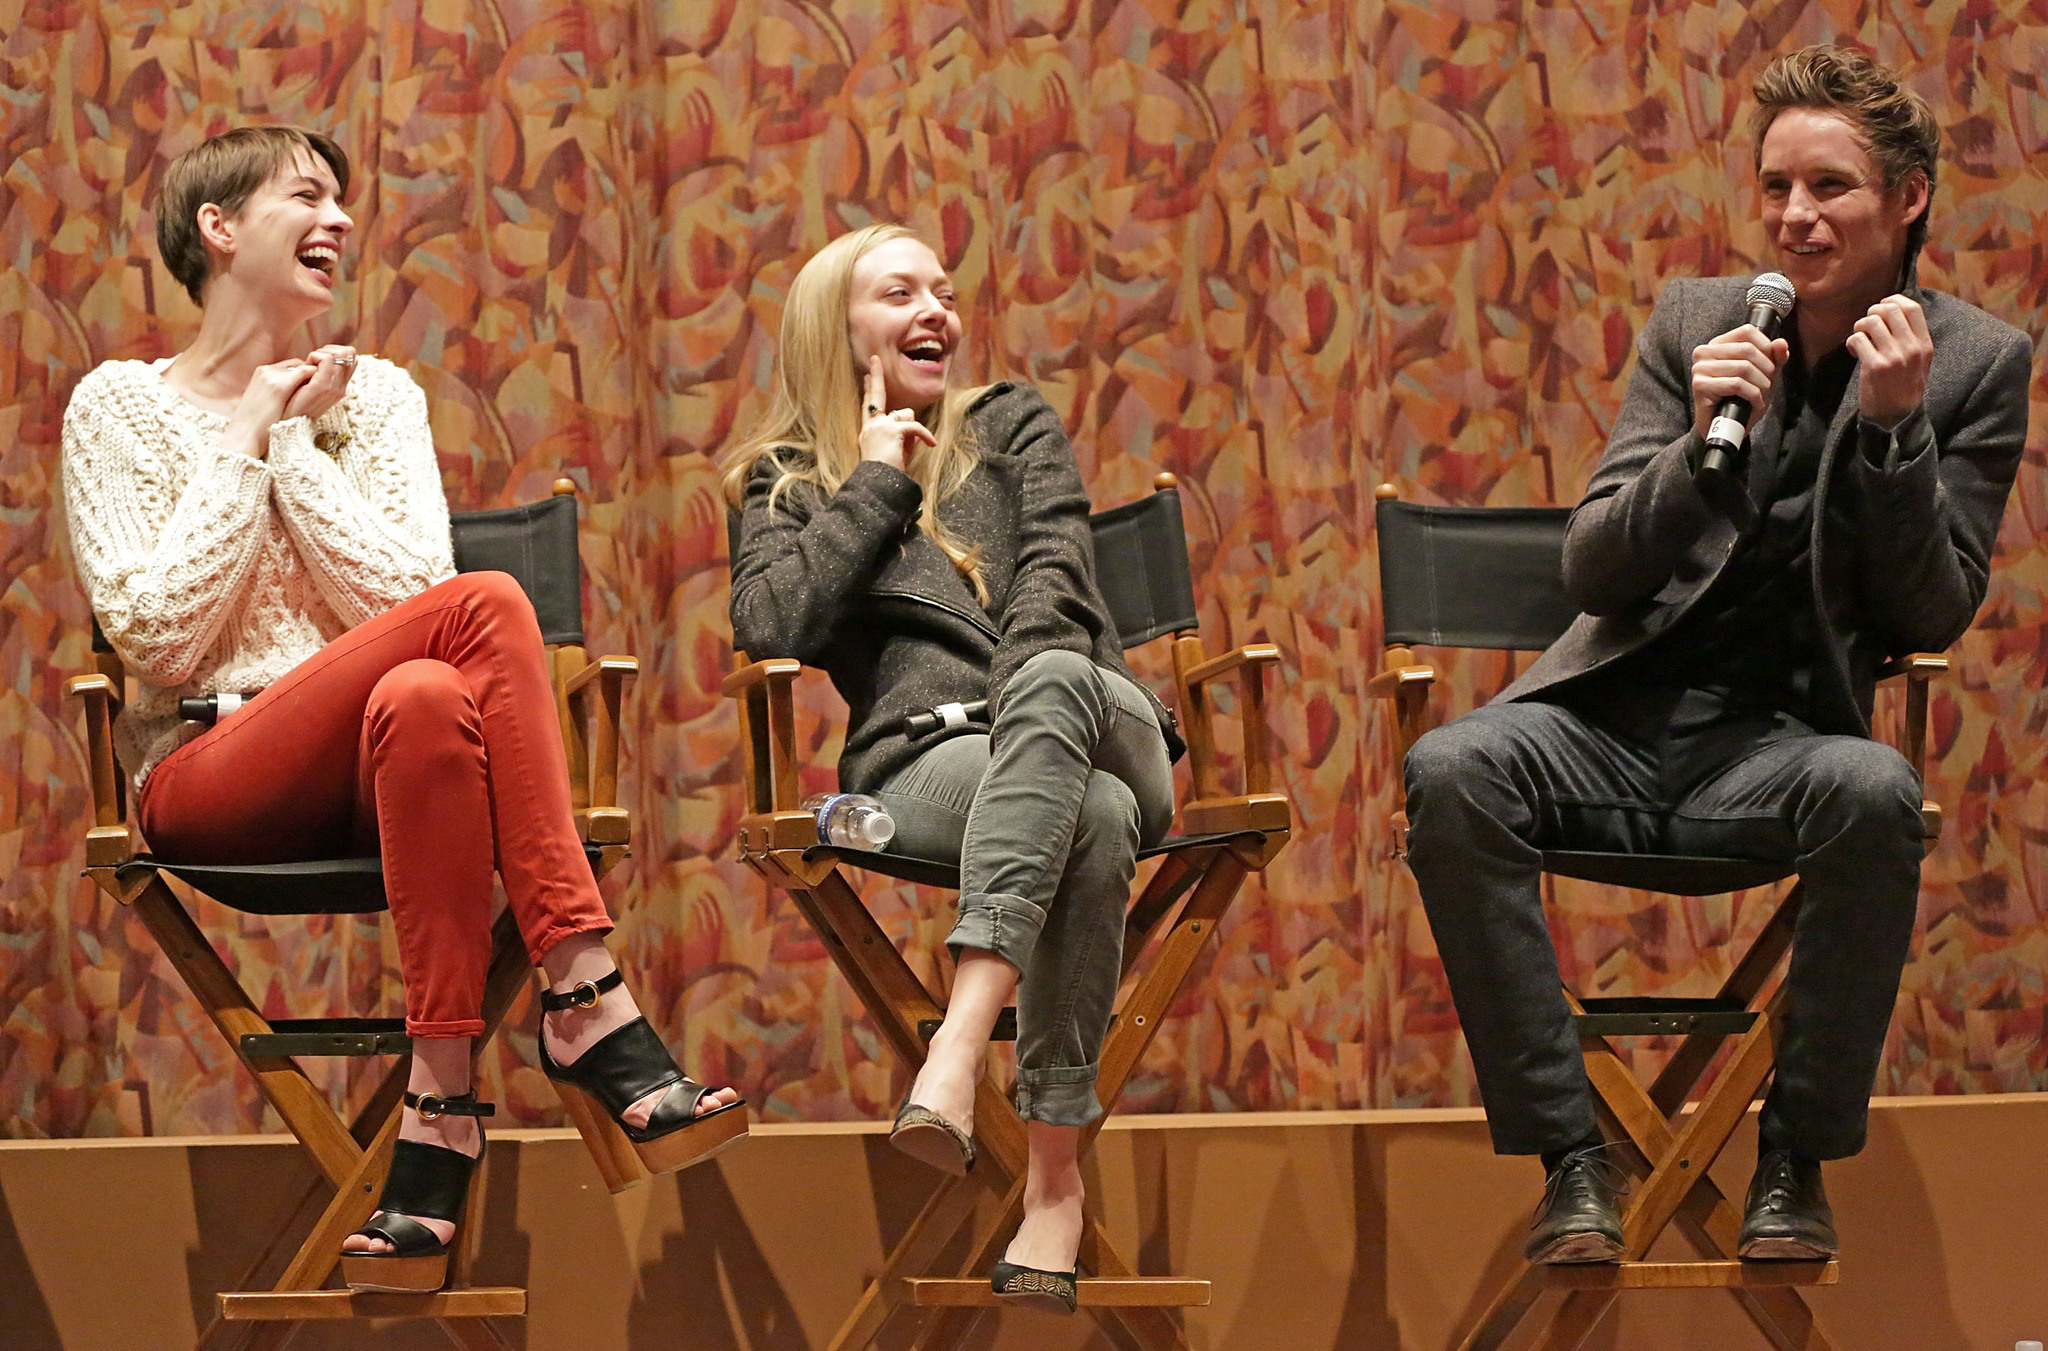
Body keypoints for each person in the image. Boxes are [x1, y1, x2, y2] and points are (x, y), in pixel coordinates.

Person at [61, 126, 746, 1294]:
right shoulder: (117, 407)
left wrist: (299, 440)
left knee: (431, 687)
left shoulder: (374, 398)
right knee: (482, 605)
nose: (337, 220)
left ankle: (440, 1104)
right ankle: (583, 997)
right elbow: (159, 634)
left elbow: (405, 601)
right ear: (218, 228)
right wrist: (247, 434)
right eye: (305, 196)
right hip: (207, 770)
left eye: (343, 201)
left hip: (388, 770)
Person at [1403, 46, 2031, 1264]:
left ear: (1904, 201)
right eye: (1775, 188)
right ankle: (1570, 1158)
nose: (1795, 218)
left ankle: (1791, 1162)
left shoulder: (1973, 360)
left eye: (1829, 187)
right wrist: (1695, 448)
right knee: (1451, 766)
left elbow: (1930, 609)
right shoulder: (1698, 322)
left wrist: (1896, 436)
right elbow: (1590, 569)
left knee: (1875, 791)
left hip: (1781, 745)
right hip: (1607, 725)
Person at [724, 223, 1184, 1313]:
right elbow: (768, 622)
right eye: (901, 293)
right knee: (1095, 819)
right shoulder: (787, 482)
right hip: (931, 760)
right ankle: (1054, 1186)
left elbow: (1060, 578)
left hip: (1090, 705)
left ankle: (958, 1040)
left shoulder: (1010, 421)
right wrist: (874, 485)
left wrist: (1029, 694)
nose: (938, 308)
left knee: (1059, 689)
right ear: (836, 330)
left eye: (943, 288)